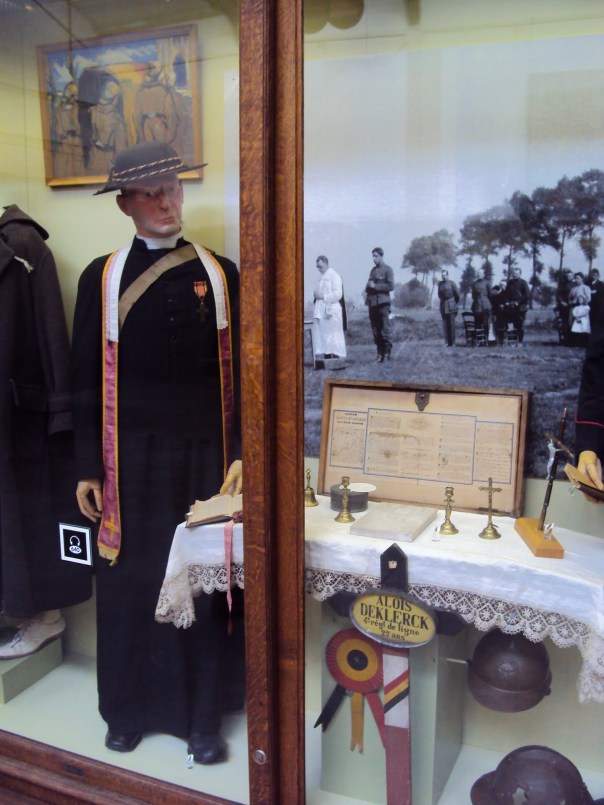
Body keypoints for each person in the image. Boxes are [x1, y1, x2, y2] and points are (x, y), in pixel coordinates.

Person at [71, 142, 242, 764]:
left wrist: (245, 454)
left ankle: (202, 718)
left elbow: (247, 379)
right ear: (125, 204)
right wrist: (87, 464)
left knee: (201, 582)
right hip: (130, 465)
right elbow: (83, 376)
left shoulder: (222, 274)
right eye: (150, 192)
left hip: (206, 462)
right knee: (133, 584)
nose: (167, 202)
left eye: (173, 187)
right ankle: (126, 710)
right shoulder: (102, 275)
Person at [312, 255, 346, 365]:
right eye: (317, 267)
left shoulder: (334, 276)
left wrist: (323, 296)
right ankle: (327, 356)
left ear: (326, 264)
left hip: (332, 310)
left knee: (333, 334)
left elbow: (338, 294)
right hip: (322, 309)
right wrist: (317, 295)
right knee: (325, 335)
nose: (319, 269)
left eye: (320, 266)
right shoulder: (320, 278)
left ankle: (335, 357)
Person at [364, 247, 394, 362]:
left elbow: (390, 286)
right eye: (373, 256)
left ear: (381, 256)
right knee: (375, 331)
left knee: (385, 329)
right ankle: (379, 354)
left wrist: (375, 286)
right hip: (372, 304)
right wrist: (368, 287)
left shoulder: (388, 270)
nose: (374, 258)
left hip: (383, 304)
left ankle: (387, 354)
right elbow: (368, 286)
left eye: (376, 256)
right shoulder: (372, 270)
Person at [503, 265, 530, 345]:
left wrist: (518, 302)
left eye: (516, 273)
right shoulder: (509, 282)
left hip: (520, 307)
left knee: (520, 325)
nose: (514, 275)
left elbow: (527, 295)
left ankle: (520, 342)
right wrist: (507, 302)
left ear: (520, 274)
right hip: (511, 307)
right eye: (513, 273)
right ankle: (513, 342)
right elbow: (506, 294)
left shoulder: (523, 283)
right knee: (511, 326)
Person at [568, 271, 591, 345]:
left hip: (582, 309)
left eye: (578, 278)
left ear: (582, 279)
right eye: (575, 278)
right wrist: (572, 302)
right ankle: (573, 342)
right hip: (573, 308)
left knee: (582, 325)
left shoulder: (586, 287)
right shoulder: (573, 288)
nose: (576, 280)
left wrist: (582, 302)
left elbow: (589, 298)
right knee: (572, 324)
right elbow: (569, 298)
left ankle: (583, 342)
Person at [438, 269, 459, 347]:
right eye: (442, 276)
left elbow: (457, 295)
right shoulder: (440, 284)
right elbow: (439, 295)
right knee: (445, 324)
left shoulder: (452, 283)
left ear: (448, 275)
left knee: (451, 324)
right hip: (443, 305)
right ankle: (447, 342)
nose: (443, 277)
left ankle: (453, 342)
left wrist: (453, 303)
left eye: (445, 275)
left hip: (451, 305)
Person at [471, 266, 492, 341]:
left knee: (486, 323)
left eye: (480, 273)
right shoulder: (474, 284)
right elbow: (473, 295)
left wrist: (487, 302)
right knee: (477, 323)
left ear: (483, 274)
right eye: (478, 273)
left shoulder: (487, 283)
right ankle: (479, 340)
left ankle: (486, 339)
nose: (479, 274)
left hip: (486, 306)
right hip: (477, 307)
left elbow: (490, 295)